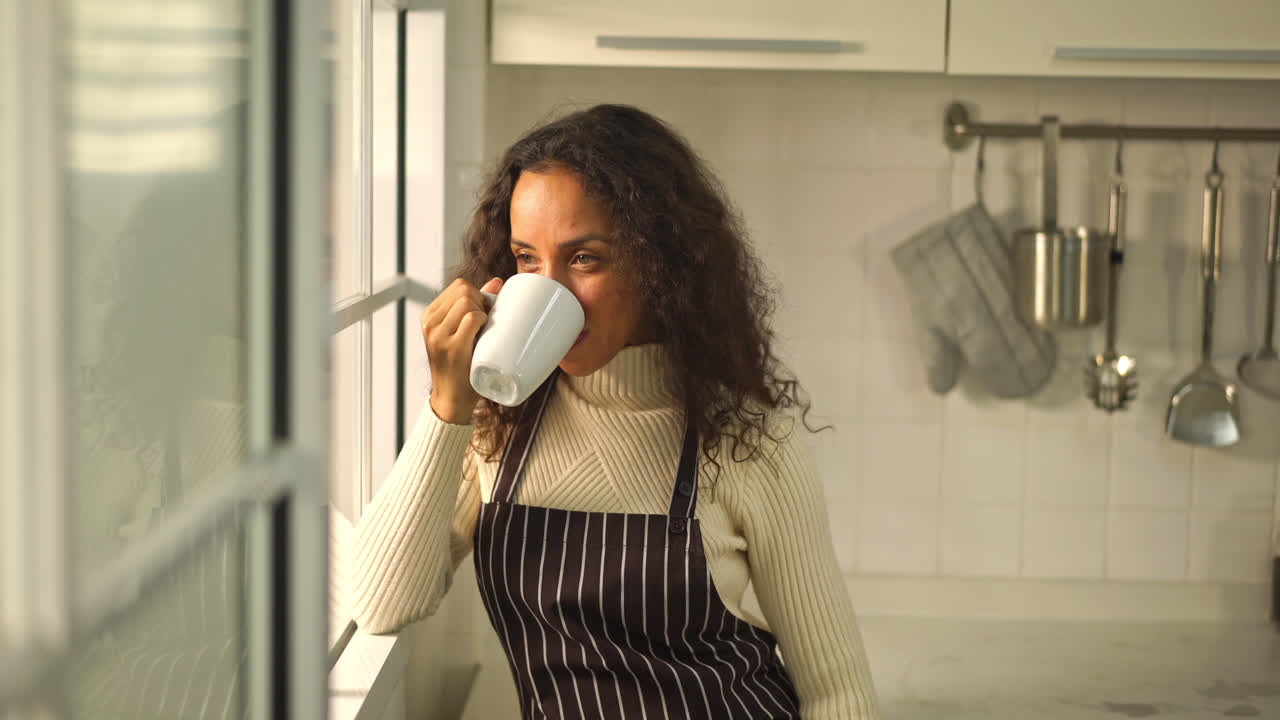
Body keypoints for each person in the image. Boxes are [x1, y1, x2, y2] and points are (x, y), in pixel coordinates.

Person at [349, 103, 880, 719]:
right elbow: (381, 604)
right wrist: (448, 406)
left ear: (660, 263)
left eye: (584, 259)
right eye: (527, 259)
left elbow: (837, 691)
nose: (550, 291)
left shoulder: (749, 441)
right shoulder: (496, 427)